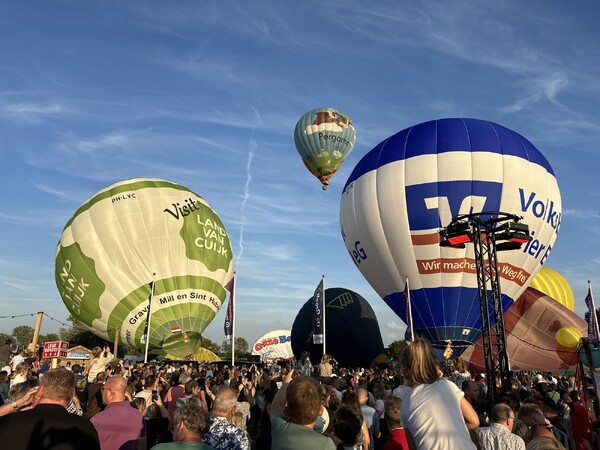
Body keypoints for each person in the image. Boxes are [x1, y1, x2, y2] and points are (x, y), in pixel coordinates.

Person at [399, 338, 479, 449]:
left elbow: (413, 446)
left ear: (405, 370)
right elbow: (474, 421)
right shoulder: (447, 385)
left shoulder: (405, 405)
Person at [0, 367, 100, 449]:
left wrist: (19, 402)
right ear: (71, 396)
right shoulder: (84, 427)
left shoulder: (8, 421)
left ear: (40, 390)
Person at [269, 368, 336, 450]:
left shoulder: (279, 429)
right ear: (321, 410)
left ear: (286, 411)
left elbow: (275, 409)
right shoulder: (327, 445)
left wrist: (285, 385)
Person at [90, 375, 145, 450]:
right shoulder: (138, 416)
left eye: (103, 389)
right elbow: (142, 446)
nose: (101, 392)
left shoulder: (96, 419)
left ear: (111, 393)